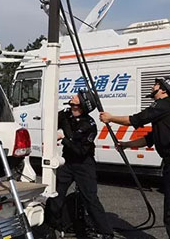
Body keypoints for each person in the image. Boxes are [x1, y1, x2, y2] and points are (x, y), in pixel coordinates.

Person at [100, 77, 170, 239]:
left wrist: (110, 118)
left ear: (164, 90)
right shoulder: (165, 111)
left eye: (156, 84)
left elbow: (135, 120)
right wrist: (126, 145)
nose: (153, 86)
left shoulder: (163, 104)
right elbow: (150, 138)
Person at [47, 93, 114, 239]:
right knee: (55, 193)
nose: (72, 97)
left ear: (82, 106)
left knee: (90, 198)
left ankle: (105, 232)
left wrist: (63, 138)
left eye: (76, 98)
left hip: (84, 164)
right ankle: (51, 226)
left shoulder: (89, 125)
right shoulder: (66, 115)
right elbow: (51, 121)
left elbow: (80, 150)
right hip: (67, 161)